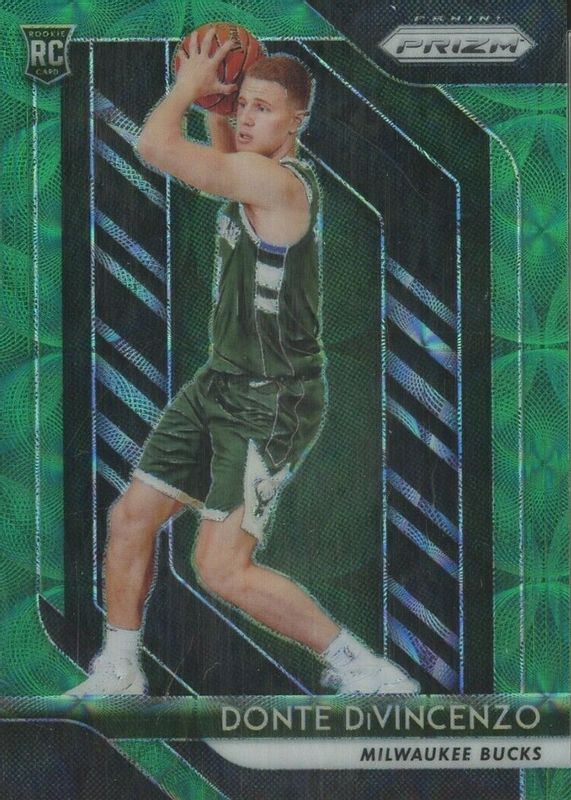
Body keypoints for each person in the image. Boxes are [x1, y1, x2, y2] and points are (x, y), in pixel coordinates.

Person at [66, 28, 419, 696]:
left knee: (221, 570)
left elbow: (154, 147)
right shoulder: (251, 176)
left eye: (263, 108)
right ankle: (118, 668)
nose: (248, 118)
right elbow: (220, 170)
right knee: (131, 518)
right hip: (219, 383)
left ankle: (360, 665)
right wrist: (218, 108)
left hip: (272, 398)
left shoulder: (278, 183)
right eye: (245, 105)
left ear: (296, 121)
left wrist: (188, 87)